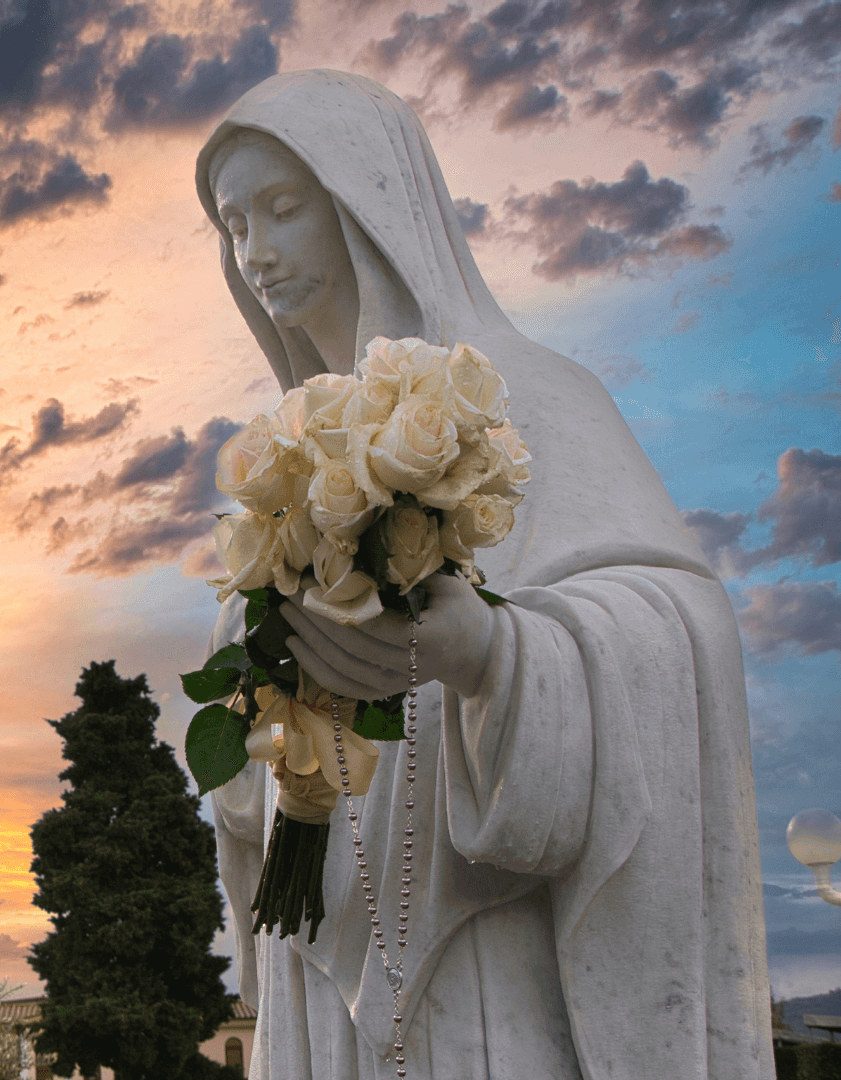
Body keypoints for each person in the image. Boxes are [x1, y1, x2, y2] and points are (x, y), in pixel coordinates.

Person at [194, 70, 772, 1079]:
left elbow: (681, 632)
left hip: (491, 968)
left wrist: (493, 656)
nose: (259, 252)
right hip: (327, 959)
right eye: (236, 225)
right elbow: (252, 793)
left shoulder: (526, 397)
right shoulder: (282, 462)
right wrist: (258, 713)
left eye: (286, 209)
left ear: (370, 205)